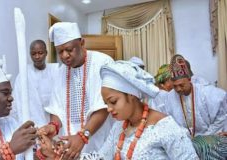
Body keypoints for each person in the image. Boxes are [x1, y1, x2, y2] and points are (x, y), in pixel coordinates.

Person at [38, 61, 199, 159]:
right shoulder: (119, 127)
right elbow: (101, 158)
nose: (109, 109)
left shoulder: (165, 127)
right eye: (106, 103)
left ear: (132, 95)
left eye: (113, 101)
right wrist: (55, 153)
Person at [39, 22, 114, 159]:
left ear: (82, 43)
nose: (64, 56)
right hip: (70, 146)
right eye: (60, 52)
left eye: (69, 49)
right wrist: (53, 126)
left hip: (99, 140)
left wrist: (82, 136)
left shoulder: (103, 62)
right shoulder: (60, 72)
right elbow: (56, 108)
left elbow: (103, 107)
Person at [164, 54, 227, 159]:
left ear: (189, 79)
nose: (178, 89)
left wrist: (204, 138)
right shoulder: (169, 98)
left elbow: (221, 117)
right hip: (185, 144)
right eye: (175, 86)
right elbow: (170, 123)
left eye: (181, 85)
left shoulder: (207, 93)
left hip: (211, 141)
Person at [12, 39, 58, 127]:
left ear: (46, 53)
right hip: (32, 124)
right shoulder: (24, 74)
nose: (37, 56)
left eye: (40, 53)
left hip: (53, 124)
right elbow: (17, 102)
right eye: (34, 54)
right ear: (30, 55)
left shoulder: (55, 71)